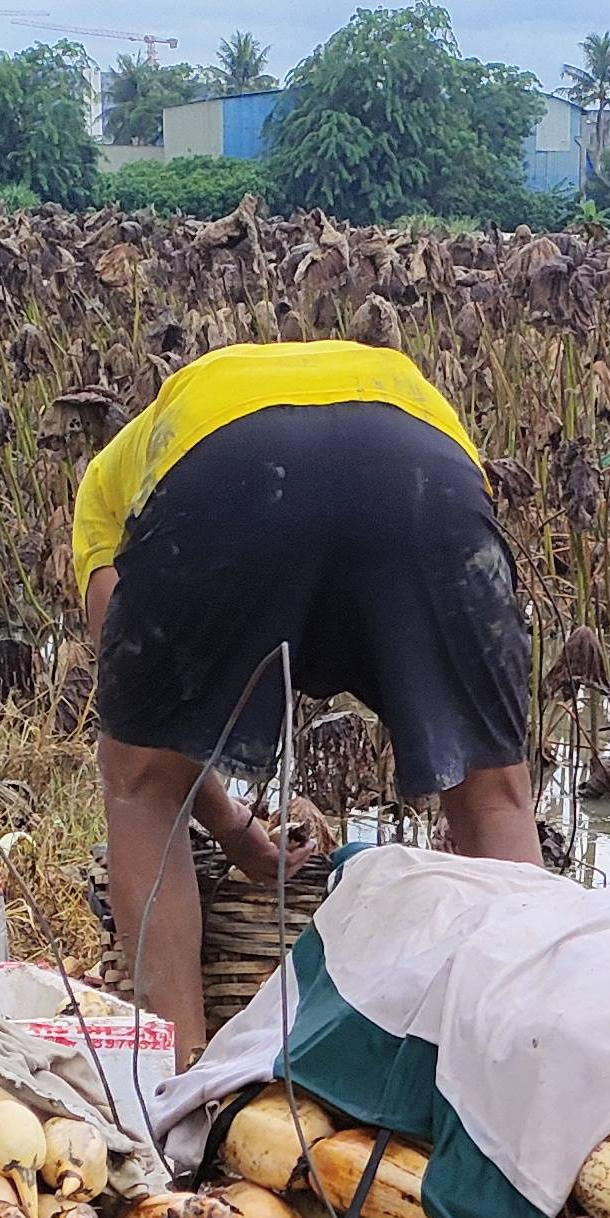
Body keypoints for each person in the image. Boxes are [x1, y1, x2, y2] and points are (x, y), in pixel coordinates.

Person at [69, 335, 539, 1055]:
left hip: (228, 469)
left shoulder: (105, 491)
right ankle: (523, 1061)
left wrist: (224, 824)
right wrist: (236, 830)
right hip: (423, 467)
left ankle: (181, 1087)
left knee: (140, 788)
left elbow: (147, 732)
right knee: (493, 796)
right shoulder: (401, 386)